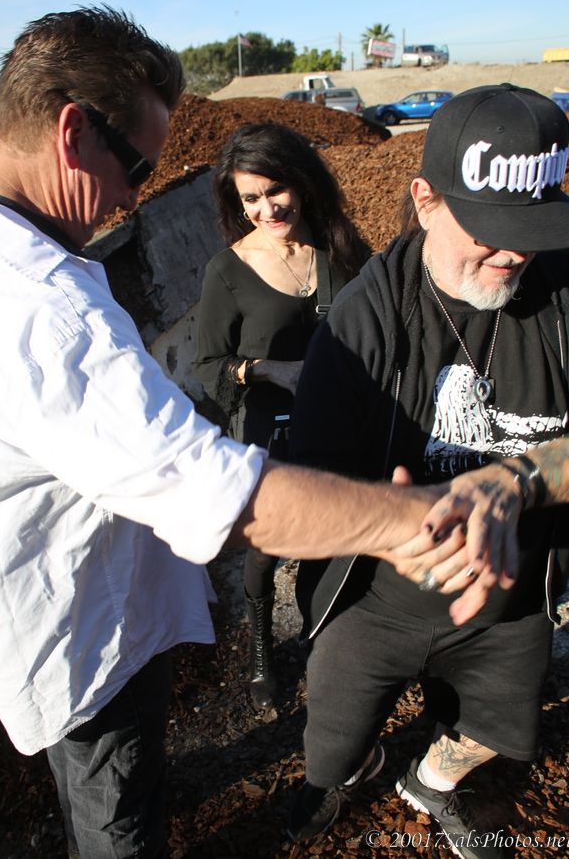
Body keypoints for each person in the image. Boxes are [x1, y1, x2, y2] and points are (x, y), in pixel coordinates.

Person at [0, 7, 482, 859]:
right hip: (87, 629)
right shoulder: (44, 311)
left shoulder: (28, 264)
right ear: (73, 133)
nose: (133, 196)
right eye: (138, 167)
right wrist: (412, 520)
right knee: (116, 822)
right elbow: (216, 491)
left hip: (75, 603)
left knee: (117, 791)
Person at [287, 83, 569, 857]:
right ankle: (358, 771)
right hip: (375, 605)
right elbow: (303, 485)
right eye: (490, 231)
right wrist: (386, 528)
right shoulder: (361, 321)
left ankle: (430, 782)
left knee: (493, 731)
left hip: (507, 607)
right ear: (425, 201)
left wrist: (515, 482)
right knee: (330, 748)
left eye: (532, 228)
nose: (515, 253)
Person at [192, 122, 368, 710]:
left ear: (300, 181)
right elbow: (208, 364)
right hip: (271, 429)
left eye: (275, 190)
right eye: (251, 198)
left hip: (340, 423)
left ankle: (327, 637)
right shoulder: (227, 271)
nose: (266, 209)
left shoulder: (339, 246)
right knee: (267, 547)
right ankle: (261, 648)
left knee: (333, 534)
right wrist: (270, 370)